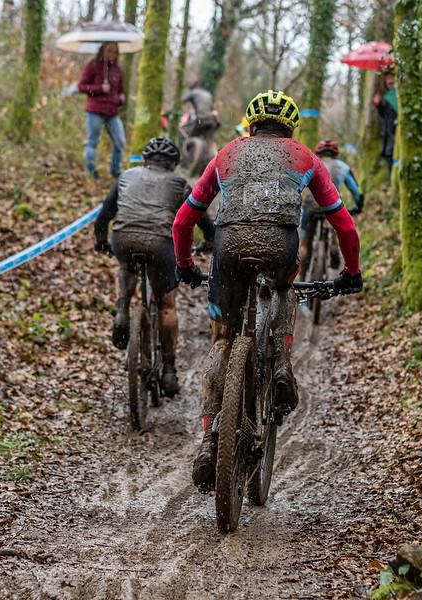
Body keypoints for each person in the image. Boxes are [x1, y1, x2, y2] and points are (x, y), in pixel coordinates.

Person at [172, 90, 363, 491]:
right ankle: (280, 362)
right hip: (281, 246)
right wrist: (350, 272)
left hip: (228, 248)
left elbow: (184, 220)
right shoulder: (306, 157)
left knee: (222, 341)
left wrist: (186, 266)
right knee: (284, 289)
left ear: (250, 124)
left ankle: (210, 439)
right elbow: (344, 224)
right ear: (290, 127)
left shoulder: (225, 154)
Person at [94, 137, 215, 397]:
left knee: (125, 267)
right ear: (173, 164)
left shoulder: (126, 176)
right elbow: (200, 216)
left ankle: (122, 309)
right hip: (160, 244)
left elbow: (104, 214)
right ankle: (169, 371)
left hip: (124, 238)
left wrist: (102, 242)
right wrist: (209, 240)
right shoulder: (180, 184)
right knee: (166, 305)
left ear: (145, 160)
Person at [299, 139, 363, 277]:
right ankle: (334, 247)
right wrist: (358, 206)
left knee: (304, 245)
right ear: (336, 154)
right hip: (330, 206)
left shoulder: (310, 163)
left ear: (318, 152)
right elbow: (356, 191)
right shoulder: (343, 166)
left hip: (310, 206)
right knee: (336, 221)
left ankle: (301, 279)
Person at [78, 42, 126, 180]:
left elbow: (121, 91)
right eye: (109, 51)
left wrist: (120, 99)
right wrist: (100, 88)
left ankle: (115, 172)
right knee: (93, 141)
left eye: (114, 51)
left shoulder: (117, 70)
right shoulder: (92, 66)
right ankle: (92, 172)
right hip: (95, 110)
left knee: (120, 142)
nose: (111, 54)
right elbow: (81, 87)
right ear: (102, 50)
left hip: (112, 111)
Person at [373, 69, 398, 185]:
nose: (389, 81)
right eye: (387, 78)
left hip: (395, 135)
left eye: (391, 77)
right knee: (389, 160)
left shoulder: (397, 95)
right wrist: (378, 105)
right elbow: (385, 115)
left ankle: (393, 184)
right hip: (388, 135)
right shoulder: (388, 96)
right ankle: (390, 183)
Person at [180, 80, 219, 145]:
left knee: (190, 140)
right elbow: (212, 108)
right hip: (211, 120)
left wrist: (166, 113)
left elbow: (180, 102)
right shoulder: (208, 94)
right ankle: (212, 151)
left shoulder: (193, 92)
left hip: (200, 120)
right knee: (210, 142)